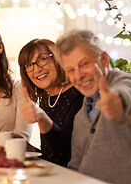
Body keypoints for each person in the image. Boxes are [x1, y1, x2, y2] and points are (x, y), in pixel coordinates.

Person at [54, 29, 131, 184]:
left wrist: (119, 104)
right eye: (71, 70)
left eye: (84, 64)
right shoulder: (81, 116)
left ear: (104, 60)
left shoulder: (125, 84)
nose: (78, 76)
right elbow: (76, 166)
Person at [18, 39, 84, 167]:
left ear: (58, 58)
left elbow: (65, 154)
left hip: (77, 179)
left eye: (42, 59)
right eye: (29, 65)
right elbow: (52, 156)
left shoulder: (79, 93)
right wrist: (26, 147)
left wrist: (42, 118)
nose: (36, 69)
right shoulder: (47, 100)